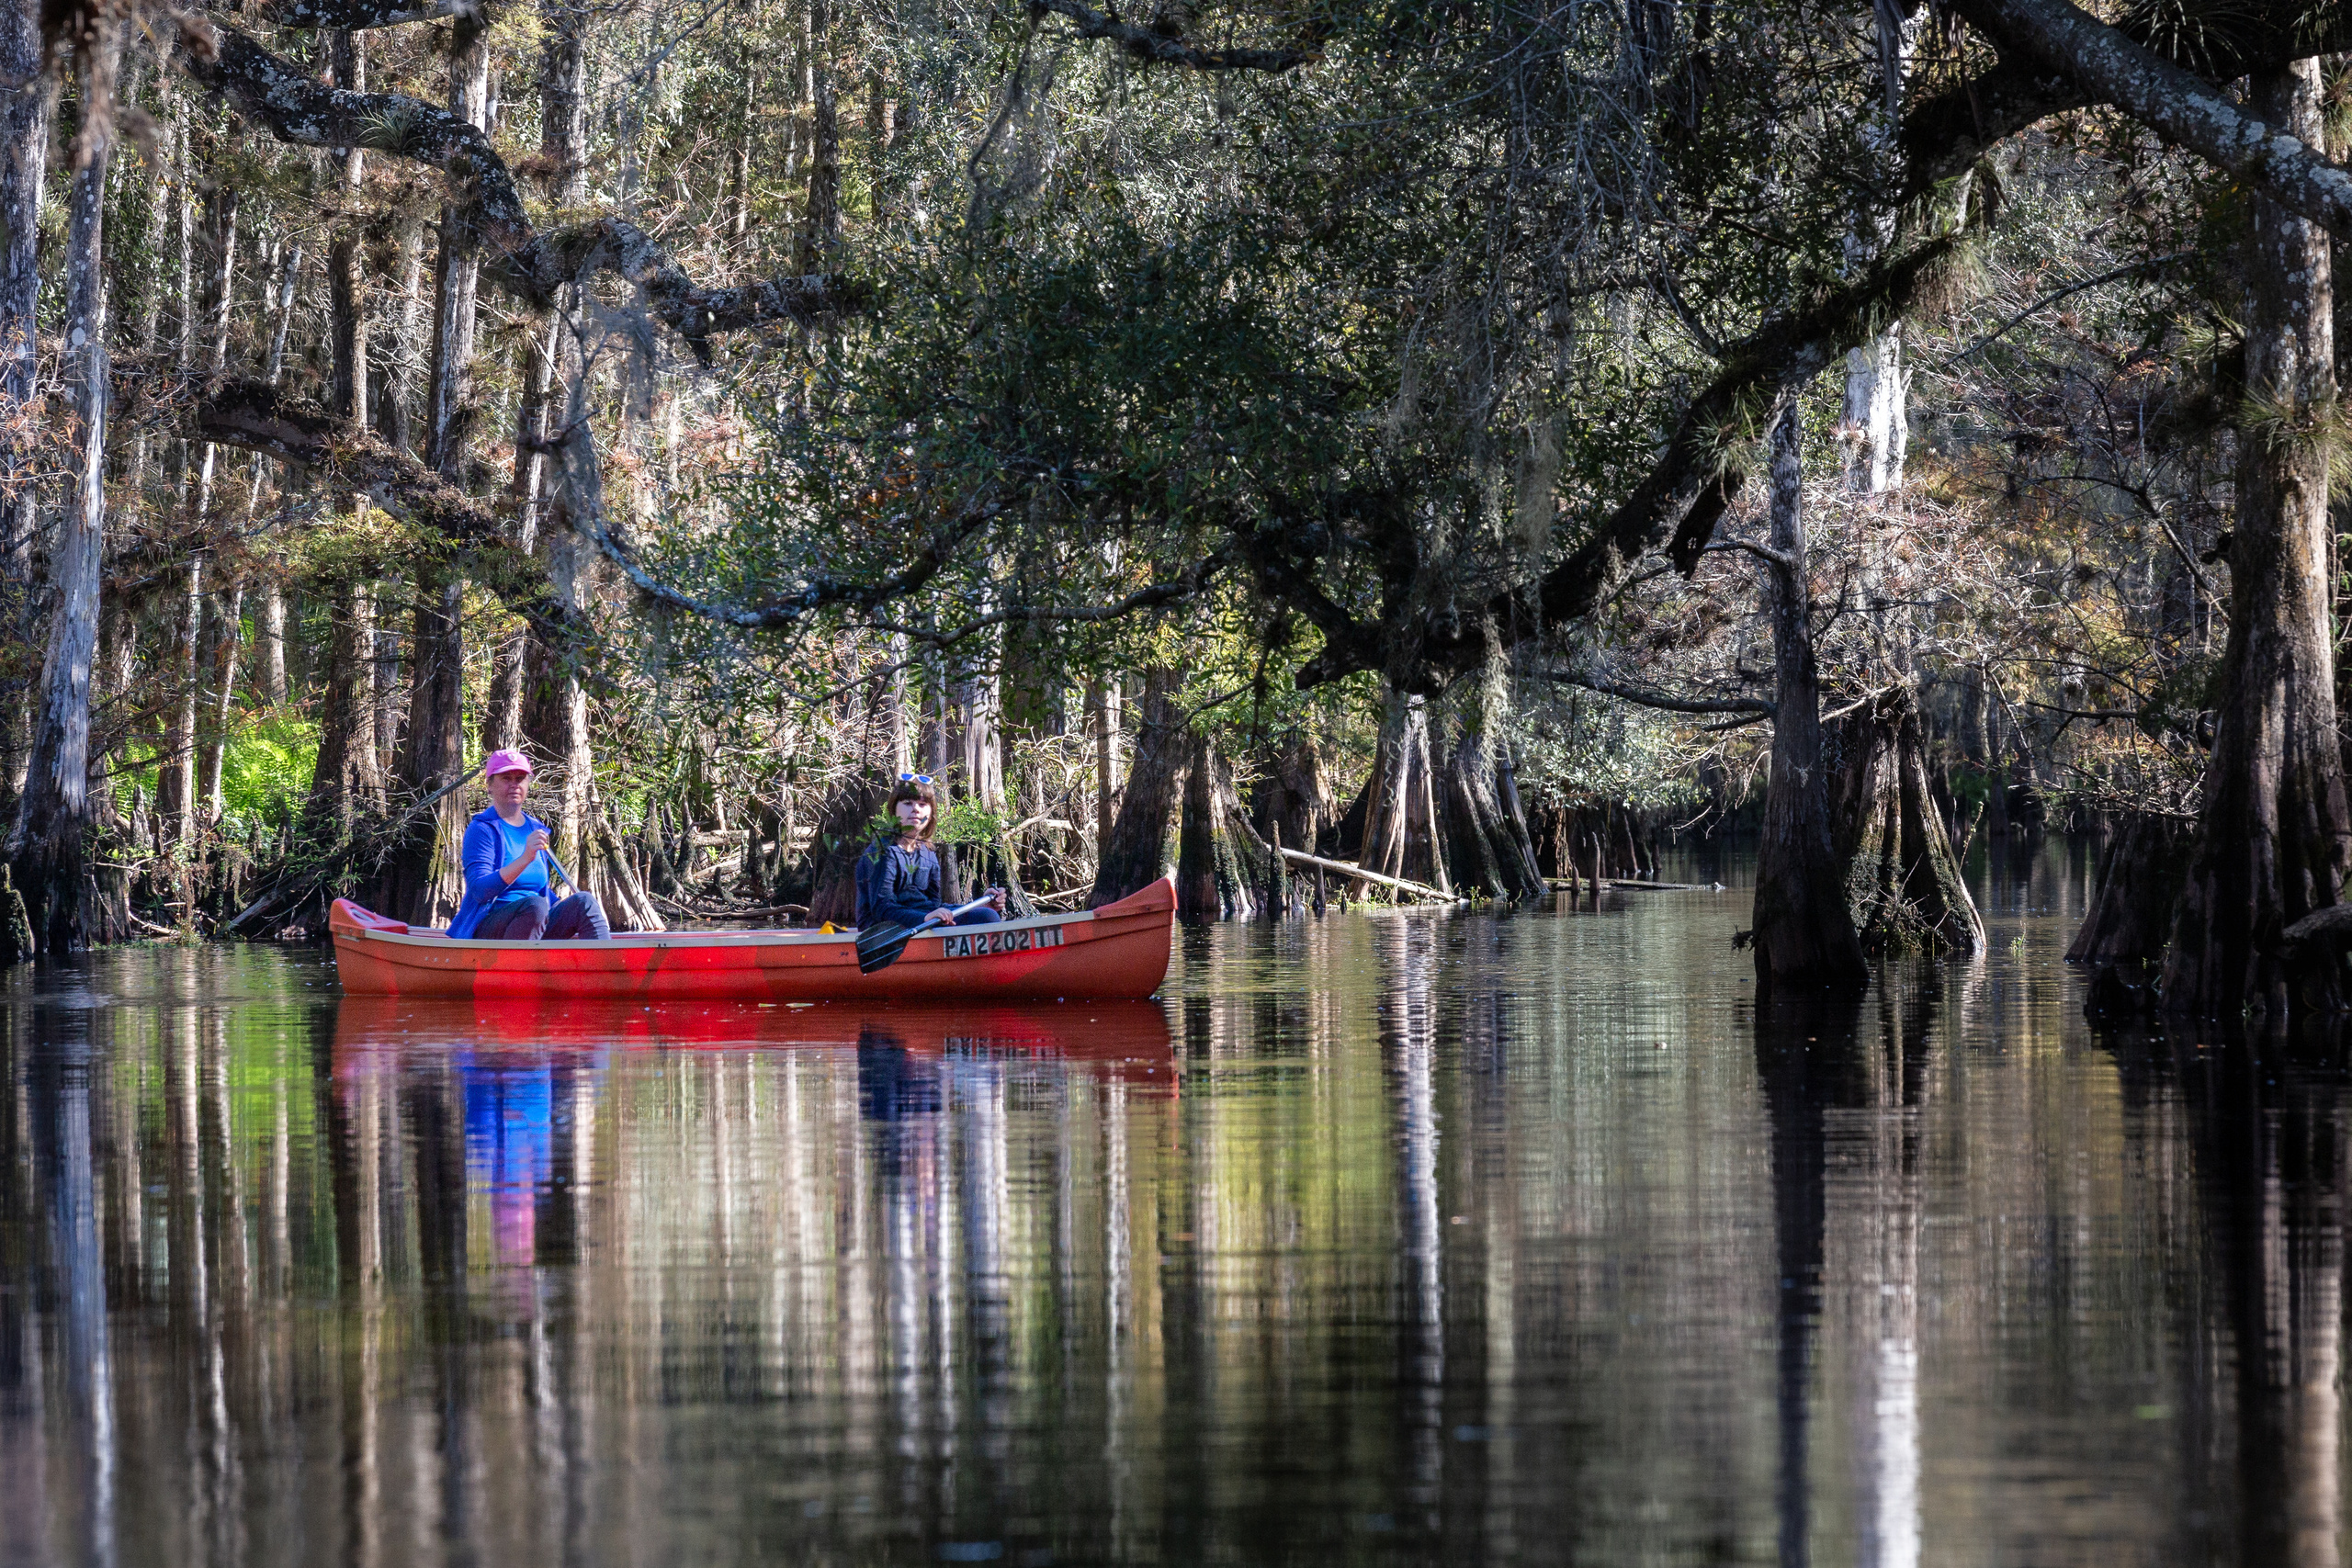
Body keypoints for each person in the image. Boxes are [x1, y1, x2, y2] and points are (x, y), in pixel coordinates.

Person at [447, 750, 613, 941]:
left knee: (584, 901)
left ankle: (605, 957)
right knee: (535, 906)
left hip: (534, 920)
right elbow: (480, 891)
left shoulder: (535, 827)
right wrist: (525, 859)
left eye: (520, 779)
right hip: (490, 927)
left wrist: (563, 909)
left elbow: (538, 888)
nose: (514, 784)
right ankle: (518, 960)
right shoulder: (482, 829)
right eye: (506, 778)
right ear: (490, 785)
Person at [854, 773, 1006, 931]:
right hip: (885, 929)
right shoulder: (882, 853)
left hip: (924, 921)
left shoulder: (928, 854)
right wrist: (925, 919)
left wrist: (980, 905)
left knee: (987, 915)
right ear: (894, 810)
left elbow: (935, 905)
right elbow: (882, 909)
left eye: (922, 804)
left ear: (931, 813)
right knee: (987, 918)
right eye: (907, 803)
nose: (915, 809)